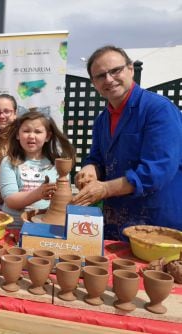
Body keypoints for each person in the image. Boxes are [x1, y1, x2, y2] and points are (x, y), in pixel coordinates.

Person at [72, 45, 182, 240]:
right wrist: (90, 168)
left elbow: (157, 170)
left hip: (156, 222)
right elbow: (96, 157)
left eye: (115, 71)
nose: (109, 79)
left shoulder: (158, 110)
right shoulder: (102, 120)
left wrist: (105, 188)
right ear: (94, 83)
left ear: (130, 69)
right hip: (116, 221)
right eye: (100, 76)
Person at [0, 111, 75, 228]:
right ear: (18, 135)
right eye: (26, 131)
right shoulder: (9, 162)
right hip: (14, 226)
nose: (31, 136)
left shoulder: (57, 165)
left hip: (45, 226)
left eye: (38, 132)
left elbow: (63, 201)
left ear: (47, 136)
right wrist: (38, 193)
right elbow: (11, 200)